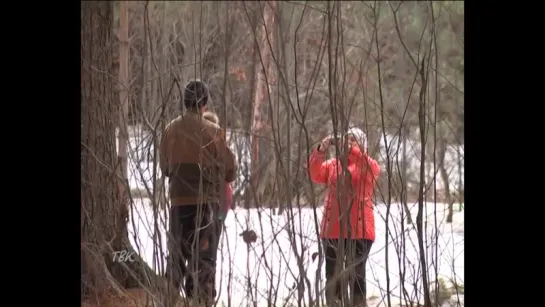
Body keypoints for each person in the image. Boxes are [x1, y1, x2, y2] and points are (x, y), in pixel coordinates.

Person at [159, 80, 237, 305]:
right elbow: (230, 170)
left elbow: (165, 168)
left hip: (178, 203)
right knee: (204, 261)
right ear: (204, 103)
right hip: (205, 207)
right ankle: (201, 302)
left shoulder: (169, 130)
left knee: (176, 259)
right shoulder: (212, 131)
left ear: (185, 103)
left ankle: (170, 300)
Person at [308, 127, 380, 307]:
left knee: (356, 274)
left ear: (362, 145)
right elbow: (315, 173)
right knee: (333, 275)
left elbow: (371, 170)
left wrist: (352, 150)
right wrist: (321, 149)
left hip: (360, 230)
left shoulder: (368, 164)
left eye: (353, 140)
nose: (348, 144)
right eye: (346, 140)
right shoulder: (334, 164)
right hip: (332, 230)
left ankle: (357, 304)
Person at [202, 111, 234, 224]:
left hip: (214, 200)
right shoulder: (222, 147)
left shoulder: (195, 145)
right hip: (219, 201)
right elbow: (232, 174)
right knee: (213, 232)